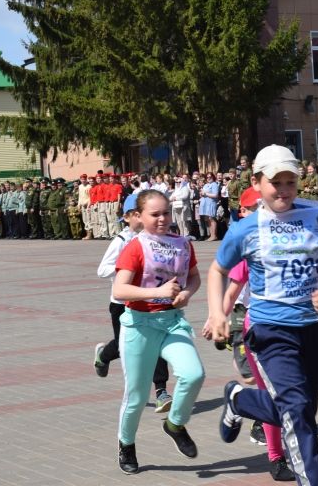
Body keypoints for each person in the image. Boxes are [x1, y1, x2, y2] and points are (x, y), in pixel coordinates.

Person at [207, 144, 318, 486]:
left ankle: (239, 400)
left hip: (313, 331)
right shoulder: (247, 229)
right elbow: (217, 270)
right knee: (298, 413)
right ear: (257, 183)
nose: (284, 190)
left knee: (301, 408)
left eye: (291, 182)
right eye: (276, 182)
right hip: (270, 331)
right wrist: (218, 314)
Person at [201, 185, 295, 482]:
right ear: (245, 212)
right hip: (250, 322)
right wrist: (217, 317)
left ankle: (240, 401)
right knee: (259, 382)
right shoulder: (247, 246)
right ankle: (276, 456)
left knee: (280, 392)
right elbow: (231, 291)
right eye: (256, 209)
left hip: (291, 325)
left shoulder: (292, 235)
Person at [111, 189, 204, 474]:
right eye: (155, 214)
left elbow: (195, 277)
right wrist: (157, 291)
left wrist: (187, 293)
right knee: (137, 396)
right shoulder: (136, 246)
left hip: (172, 321)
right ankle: (126, 443)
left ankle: (175, 424)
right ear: (139, 217)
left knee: (193, 374)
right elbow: (119, 289)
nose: (162, 219)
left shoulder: (182, 244)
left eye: (166, 212)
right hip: (139, 325)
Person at [94, 193, 173, 413]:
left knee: (156, 344)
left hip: (150, 301)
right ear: (130, 217)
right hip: (122, 304)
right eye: (140, 214)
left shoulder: (156, 240)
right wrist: (127, 270)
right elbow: (102, 270)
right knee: (124, 346)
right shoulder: (121, 240)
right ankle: (104, 355)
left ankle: (161, 391)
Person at [199, 173, 220, 241]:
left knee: (211, 219)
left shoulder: (214, 184)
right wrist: (202, 194)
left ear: (213, 177)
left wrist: (205, 194)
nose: (208, 178)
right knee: (208, 219)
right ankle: (211, 235)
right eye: (207, 177)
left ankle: (214, 235)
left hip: (211, 203)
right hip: (205, 204)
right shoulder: (206, 185)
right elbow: (203, 193)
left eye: (210, 177)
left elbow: (215, 195)